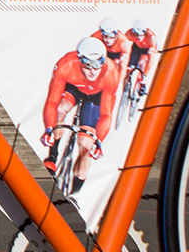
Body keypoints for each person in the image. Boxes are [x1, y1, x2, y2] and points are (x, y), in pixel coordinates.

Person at [41, 35, 126, 182]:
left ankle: (75, 193)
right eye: (87, 63)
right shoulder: (66, 64)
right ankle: (52, 156)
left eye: (99, 62)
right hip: (74, 88)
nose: (93, 70)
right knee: (61, 110)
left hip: (95, 97)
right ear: (79, 60)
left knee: (86, 146)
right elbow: (52, 101)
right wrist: (49, 129)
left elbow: (106, 114)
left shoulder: (111, 73)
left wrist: (99, 140)